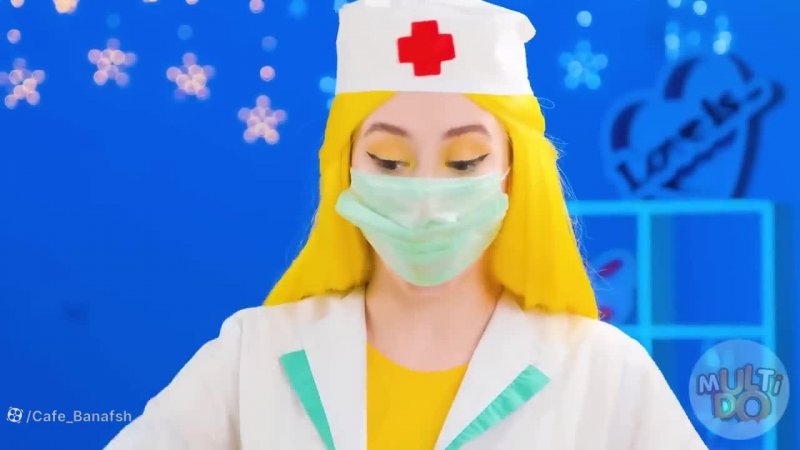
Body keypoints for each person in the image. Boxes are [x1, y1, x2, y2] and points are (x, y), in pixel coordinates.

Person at [106, 0, 708, 449]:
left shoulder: (604, 373)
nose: (426, 197)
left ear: (515, 173)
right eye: (388, 161)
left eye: (465, 162)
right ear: (344, 167)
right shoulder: (252, 357)